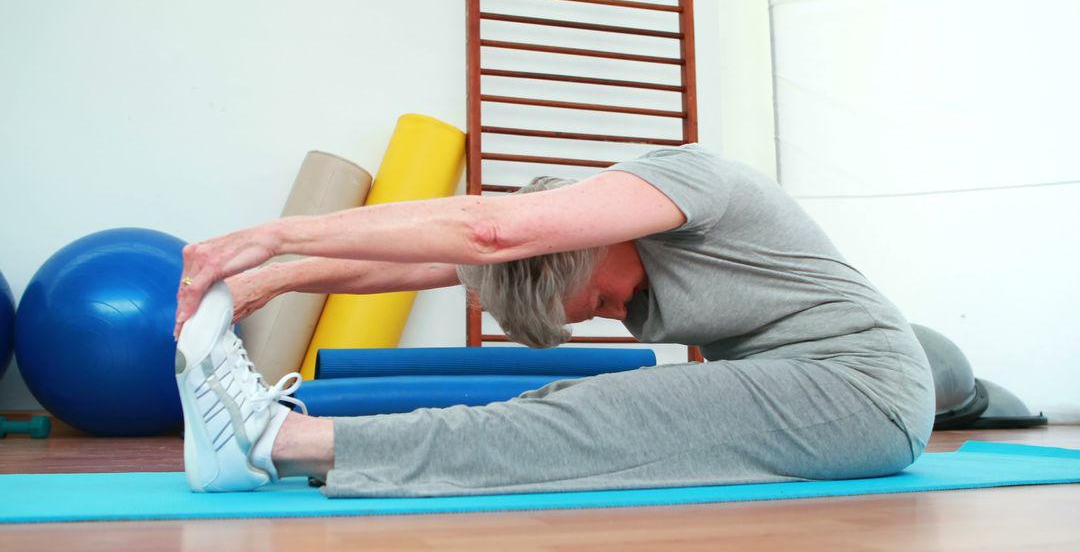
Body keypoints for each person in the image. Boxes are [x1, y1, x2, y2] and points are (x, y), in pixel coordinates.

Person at [173, 144, 935, 496]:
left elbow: (491, 231)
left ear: (586, 242)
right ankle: (270, 442)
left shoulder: (690, 182)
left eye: (600, 302)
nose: (620, 314)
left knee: (597, 413)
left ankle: (276, 442)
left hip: (864, 391)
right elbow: (438, 260)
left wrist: (274, 234)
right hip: (796, 383)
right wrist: (275, 280)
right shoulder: (583, 243)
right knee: (555, 407)